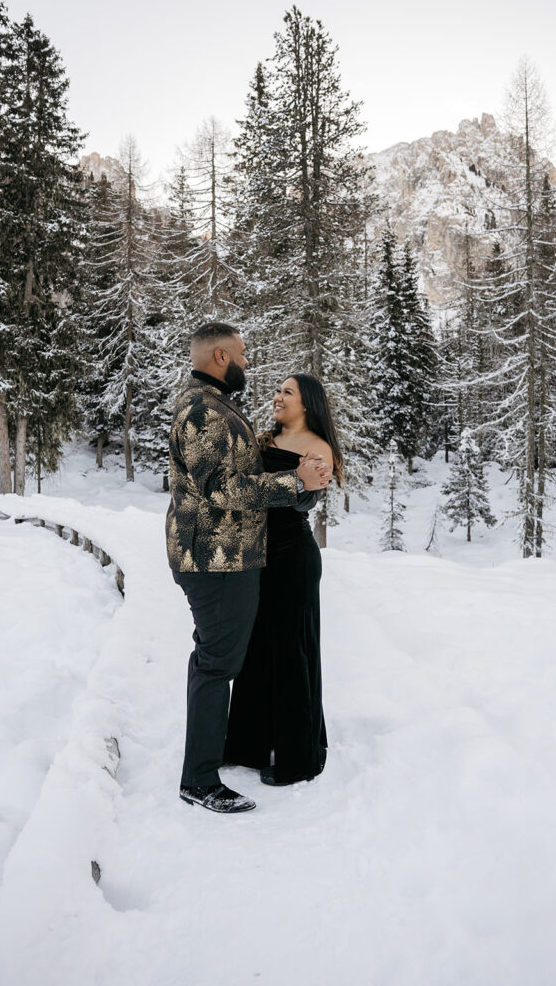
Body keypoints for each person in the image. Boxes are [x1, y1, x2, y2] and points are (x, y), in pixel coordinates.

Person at [166, 323, 331, 814]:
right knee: (217, 664)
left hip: (229, 556)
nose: (247, 361)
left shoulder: (215, 406)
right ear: (220, 356)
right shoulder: (202, 410)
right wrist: (292, 481)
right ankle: (198, 780)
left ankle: (212, 760)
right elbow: (221, 489)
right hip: (215, 559)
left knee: (221, 662)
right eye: (241, 354)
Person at [224, 374, 343, 786]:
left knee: (292, 649)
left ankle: (298, 758)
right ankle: (246, 744)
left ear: (307, 403)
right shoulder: (265, 440)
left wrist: (303, 485)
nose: (277, 397)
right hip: (257, 557)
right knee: (257, 646)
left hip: (292, 557)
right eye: (277, 391)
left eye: (286, 392)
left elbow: (306, 496)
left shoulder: (317, 447)